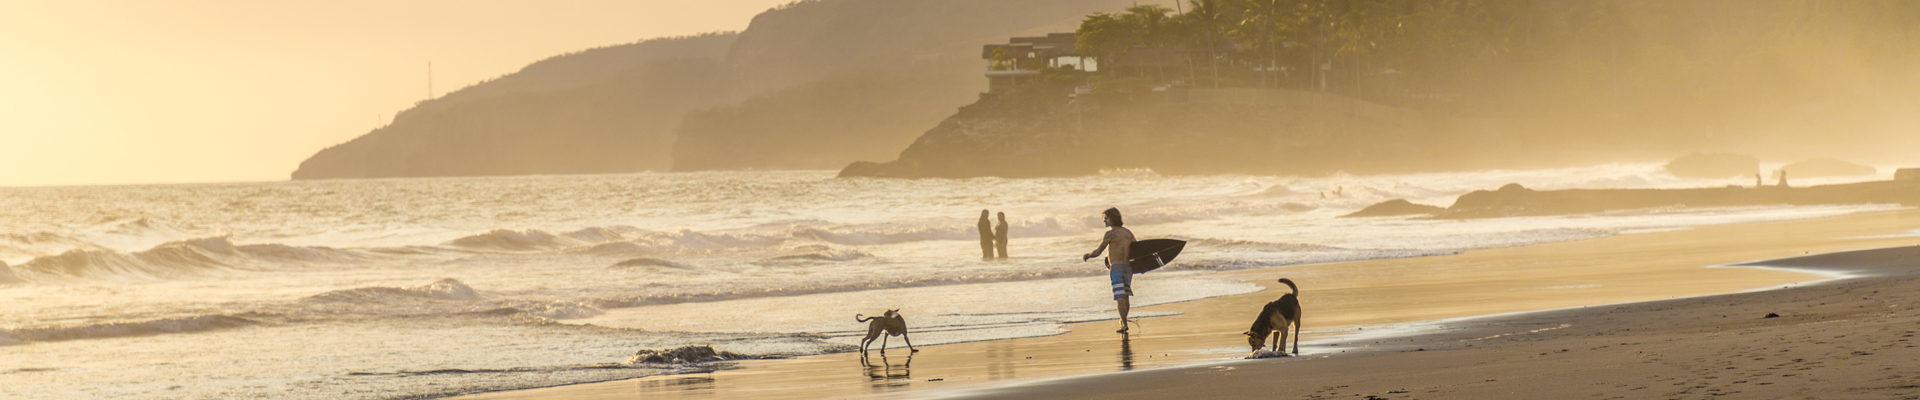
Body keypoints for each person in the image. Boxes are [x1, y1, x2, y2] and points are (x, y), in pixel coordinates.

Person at [1083, 207, 1136, 333]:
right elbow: (1137, 249)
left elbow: (1098, 251)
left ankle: (1124, 324)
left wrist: (1088, 255)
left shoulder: (1110, 234)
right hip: (1128, 268)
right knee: (1126, 295)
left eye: (1106, 218)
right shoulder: (1128, 233)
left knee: (1119, 297)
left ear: (1113, 218)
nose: (1104, 221)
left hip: (1116, 268)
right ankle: (1124, 320)